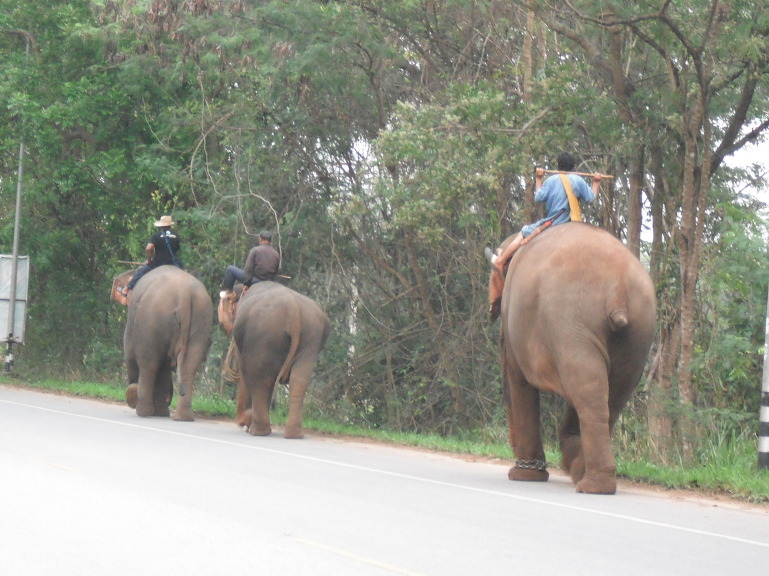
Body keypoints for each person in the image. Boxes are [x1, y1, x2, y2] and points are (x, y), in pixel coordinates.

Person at [486, 152, 602, 319]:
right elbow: (591, 199)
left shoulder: (552, 180)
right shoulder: (579, 180)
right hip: (574, 223)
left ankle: (500, 260)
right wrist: (596, 182)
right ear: (573, 166)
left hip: (555, 221)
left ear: (558, 166)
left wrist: (538, 179)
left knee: (525, 231)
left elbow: (539, 197)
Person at [120, 215, 183, 295]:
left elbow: (148, 249)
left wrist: (149, 260)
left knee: (140, 271)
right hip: (173, 263)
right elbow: (177, 249)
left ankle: (127, 288)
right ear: (170, 225)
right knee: (185, 272)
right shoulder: (176, 235)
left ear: (161, 226)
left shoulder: (156, 236)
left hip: (158, 263)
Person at [220, 229, 280, 299]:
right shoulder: (276, 254)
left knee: (230, 269)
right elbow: (275, 272)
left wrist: (246, 283)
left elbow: (248, 270)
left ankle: (229, 293)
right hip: (269, 283)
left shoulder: (255, 250)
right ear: (270, 241)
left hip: (256, 281)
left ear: (261, 240)